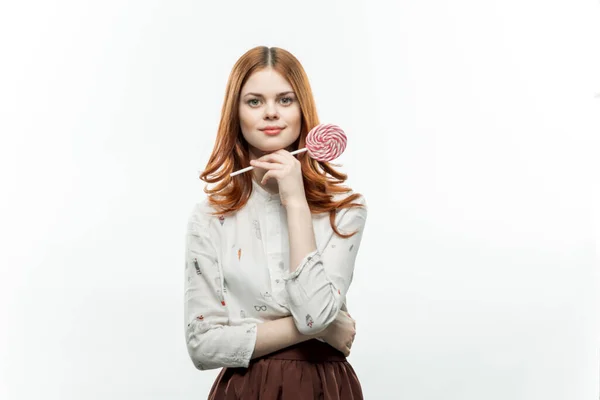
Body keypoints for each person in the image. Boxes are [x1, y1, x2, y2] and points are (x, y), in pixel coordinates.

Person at [184, 46, 368, 399]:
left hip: (324, 387)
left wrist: (295, 200)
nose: (271, 113)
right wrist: (329, 329)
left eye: (285, 100)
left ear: (302, 109)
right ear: (236, 114)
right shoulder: (210, 219)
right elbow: (202, 345)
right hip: (246, 388)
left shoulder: (344, 210)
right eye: (254, 101)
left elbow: (314, 314)